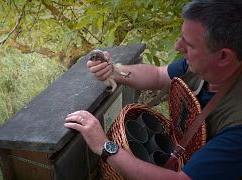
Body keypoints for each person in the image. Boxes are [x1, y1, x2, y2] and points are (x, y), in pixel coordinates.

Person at [65, 0, 242, 179]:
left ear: (224, 56)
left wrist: (104, 146)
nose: (177, 47)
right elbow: (158, 75)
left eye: (189, 45)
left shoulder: (237, 128)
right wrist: (115, 71)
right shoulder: (204, 65)